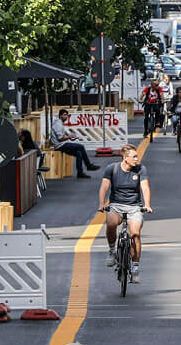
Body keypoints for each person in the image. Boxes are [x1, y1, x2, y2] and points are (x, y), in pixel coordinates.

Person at [98, 144, 153, 282]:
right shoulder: (113, 168)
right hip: (116, 205)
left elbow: (145, 188)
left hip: (134, 206)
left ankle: (135, 266)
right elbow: (104, 187)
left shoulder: (141, 169)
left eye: (137, 156)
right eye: (134, 157)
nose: (136, 159)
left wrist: (147, 205)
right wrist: (101, 204)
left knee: (135, 234)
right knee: (110, 224)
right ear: (125, 158)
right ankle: (112, 251)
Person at [50, 108, 97, 179]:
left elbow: (66, 134)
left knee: (79, 153)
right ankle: (88, 165)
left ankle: (80, 173)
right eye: (64, 115)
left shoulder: (60, 123)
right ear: (60, 116)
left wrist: (72, 136)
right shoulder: (58, 124)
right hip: (60, 145)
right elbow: (60, 138)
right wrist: (69, 137)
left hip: (63, 144)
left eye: (67, 115)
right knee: (81, 147)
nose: (66, 117)